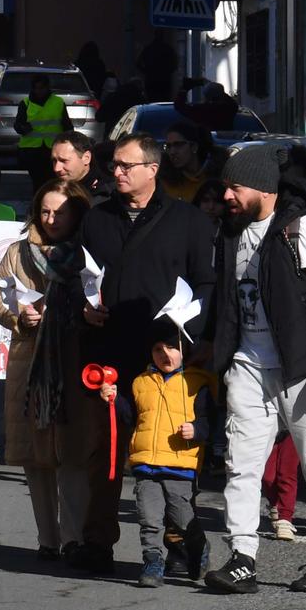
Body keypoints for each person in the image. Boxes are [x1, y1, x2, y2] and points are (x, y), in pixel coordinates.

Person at [201, 144, 306, 594]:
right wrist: (212, 349)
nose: (227, 195)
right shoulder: (230, 231)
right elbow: (224, 300)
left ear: (264, 189)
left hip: (304, 367)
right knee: (240, 465)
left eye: (235, 187)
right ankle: (242, 556)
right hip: (249, 365)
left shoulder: (305, 228)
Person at [76, 133, 214, 573]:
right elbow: (81, 280)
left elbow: (206, 283)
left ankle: (176, 545)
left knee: (169, 455)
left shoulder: (188, 221)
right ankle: (98, 542)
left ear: (152, 169)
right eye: (114, 164)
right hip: (111, 358)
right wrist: (85, 311)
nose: (116, 172)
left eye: (125, 165)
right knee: (108, 451)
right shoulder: (97, 220)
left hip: (167, 359)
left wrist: (190, 338)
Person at [0, 179, 93, 559]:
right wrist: (17, 315)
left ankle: (74, 538)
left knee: (71, 456)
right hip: (28, 362)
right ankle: (47, 540)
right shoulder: (17, 251)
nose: (51, 219)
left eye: (60, 212)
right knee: (36, 459)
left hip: (72, 359)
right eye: (45, 211)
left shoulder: (87, 250)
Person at [101, 335, 216, 588]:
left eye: (172, 347)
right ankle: (152, 562)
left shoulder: (197, 383)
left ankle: (198, 545)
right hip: (145, 464)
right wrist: (114, 400)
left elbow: (209, 422)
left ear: (185, 350)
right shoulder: (140, 383)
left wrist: (196, 430)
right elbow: (132, 417)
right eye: (157, 349)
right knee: (149, 518)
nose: (165, 353)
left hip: (180, 466)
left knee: (182, 519)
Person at [12, 74, 71, 189]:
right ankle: (38, 202)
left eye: (42, 88)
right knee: (38, 182)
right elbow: (18, 124)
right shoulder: (26, 103)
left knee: (51, 181)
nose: (39, 91)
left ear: (47, 88)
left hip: (52, 148)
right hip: (32, 150)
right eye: (36, 88)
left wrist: (69, 144)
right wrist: (24, 128)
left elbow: (67, 125)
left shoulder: (58, 102)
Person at [159, 122, 217, 203]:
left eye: (178, 145)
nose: (172, 152)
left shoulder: (216, 174)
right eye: (168, 146)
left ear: (194, 147)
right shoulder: (164, 180)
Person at [50, 130, 107, 201]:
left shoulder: (104, 196)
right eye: (54, 161)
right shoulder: (50, 191)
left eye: (64, 161)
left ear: (86, 158)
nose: (56, 168)